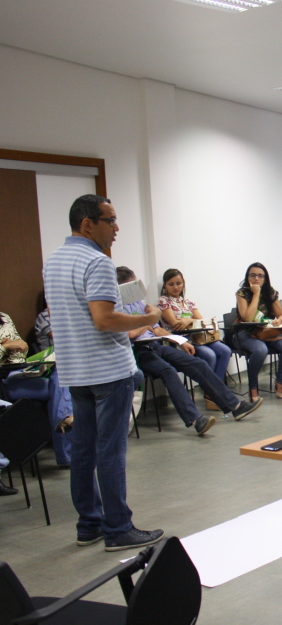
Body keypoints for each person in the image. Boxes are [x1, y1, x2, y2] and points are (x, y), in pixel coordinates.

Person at [42, 194, 163, 551]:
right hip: (108, 370)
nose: (116, 228)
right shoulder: (97, 262)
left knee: (83, 450)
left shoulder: (53, 261)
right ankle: (118, 528)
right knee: (111, 451)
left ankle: (89, 524)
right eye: (110, 220)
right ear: (87, 224)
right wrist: (147, 318)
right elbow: (104, 319)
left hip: (76, 370)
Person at [119, 267, 261, 434]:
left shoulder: (139, 304)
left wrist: (181, 341)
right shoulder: (116, 307)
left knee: (198, 363)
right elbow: (130, 334)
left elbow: (157, 329)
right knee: (168, 372)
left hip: (156, 345)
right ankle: (195, 420)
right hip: (138, 352)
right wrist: (146, 324)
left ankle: (235, 406)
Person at [1, 311, 74, 466]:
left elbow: (21, 348)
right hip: (4, 379)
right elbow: (11, 346)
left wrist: (21, 345)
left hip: (22, 371)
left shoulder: (4, 317)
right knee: (62, 390)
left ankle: (65, 419)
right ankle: (66, 449)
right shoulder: (44, 317)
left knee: (61, 377)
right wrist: (6, 346)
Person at [157, 268, 232, 408]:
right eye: (171, 284)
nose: (175, 287)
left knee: (225, 350)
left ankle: (213, 393)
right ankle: (213, 394)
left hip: (198, 337)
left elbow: (201, 321)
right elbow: (175, 324)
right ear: (165, 286)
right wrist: (190, 321)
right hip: (180, 341)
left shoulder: (188, 302)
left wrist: (187, 320)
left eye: (178, 283)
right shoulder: (164, 301)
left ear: (183, 284)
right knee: (210, 355)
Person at [234, 262, 282, 401]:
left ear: (265, 278)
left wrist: (279, 320)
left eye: (260, 276)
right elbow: (248, 318)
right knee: (260, 350)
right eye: (253, 275)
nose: (256, 278)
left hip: (267, 332)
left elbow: (281, 315)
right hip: (246, 332)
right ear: (247, 277)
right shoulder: (242, 293)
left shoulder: (270, 292)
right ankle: (253, 387)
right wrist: (256, 294)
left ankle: (280, 381)